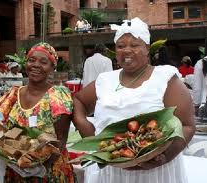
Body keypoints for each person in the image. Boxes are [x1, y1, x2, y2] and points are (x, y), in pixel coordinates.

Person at [73, 17, 195, 183]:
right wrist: (86, 130)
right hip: (110, 171)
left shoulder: (165, 78)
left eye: (134, 45)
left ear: (147, 48)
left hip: (154, 173)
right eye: (121, 46)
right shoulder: (105, 80)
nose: (126, 50)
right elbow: (79, 100)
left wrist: (165, 156)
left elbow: (187, 125)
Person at [0, 42, 76, 183]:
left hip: (50, 172)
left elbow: (61, 141)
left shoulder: (58, 96)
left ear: (53, 67)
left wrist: (37, 166)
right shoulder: (14, 94)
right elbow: (8, 133)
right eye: (32, 60)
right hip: (17, 170)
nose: (36, 65)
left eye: (43, 62)